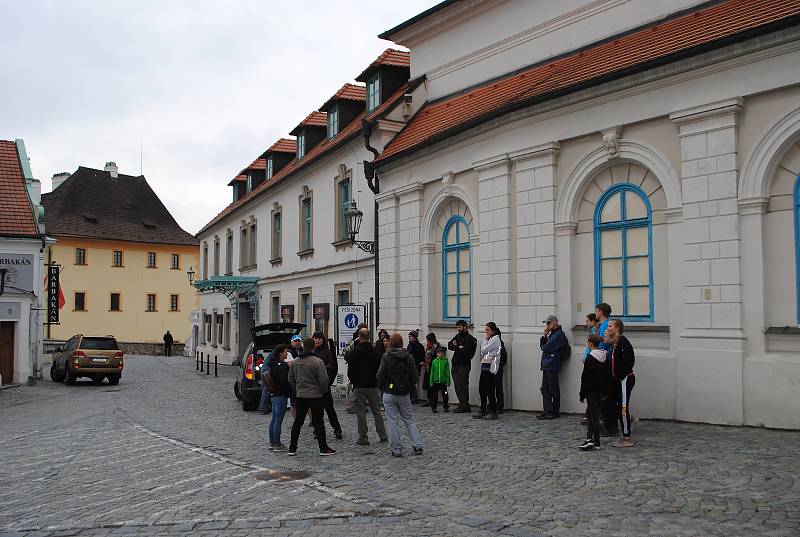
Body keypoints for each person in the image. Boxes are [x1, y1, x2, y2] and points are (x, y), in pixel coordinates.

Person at [287, 338, 336, 456]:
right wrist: (323, 391)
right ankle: (323, 448)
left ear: (304, 346)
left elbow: (290, 378)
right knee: (318, 422)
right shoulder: (318, 362)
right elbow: (324, 380)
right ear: (313, 347)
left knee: (298, 422)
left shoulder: (296, 361)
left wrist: (298, 388)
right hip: (316, 396)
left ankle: (292, 448)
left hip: (301, 395)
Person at [377, 333, 423, 457]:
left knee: (392, 421)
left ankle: (396, 449)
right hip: (404, 393)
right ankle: (417, 445)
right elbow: (414, 376)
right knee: (409, 420)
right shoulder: (409, 357)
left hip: (389, 392)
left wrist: (384, 387)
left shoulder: (386, 356)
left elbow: (380, 375)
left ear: (391, 343)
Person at [347, 328, 388, 445]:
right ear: (369, 337)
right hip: (373, 385)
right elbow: (379, 368)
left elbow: (350, 371)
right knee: (376, 411)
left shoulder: (354, 352)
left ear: (359, 337)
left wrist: (354, 381)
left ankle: (363, 437)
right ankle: (382, 435)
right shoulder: (375, 352)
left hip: (359, 386)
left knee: (360, 412)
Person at [605, 319, 636, 448]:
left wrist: (620, 375)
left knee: (623, 408)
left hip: (625, 379)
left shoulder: (623, 341)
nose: (607, 328)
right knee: (612, 405)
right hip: (617, 380)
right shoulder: (614, 343)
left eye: (610, 326)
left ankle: (627, 438)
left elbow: (629, 362)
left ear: (617, 328)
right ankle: (628, 424)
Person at [578, 335, 610, 451]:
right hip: (601, 391)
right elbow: (607, 376)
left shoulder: (590, 358)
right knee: (590, 413)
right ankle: (589, 439)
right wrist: (605, 391)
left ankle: (596, 441)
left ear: (590, 344)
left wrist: (582, 394)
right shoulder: (604, 357)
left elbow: (585, 378)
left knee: (594, 416)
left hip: (591, 391)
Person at [314, 331, 342, 440]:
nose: (317, 340)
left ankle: (337, 429)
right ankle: (317, 430)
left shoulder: (327, 352)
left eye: (319, 338)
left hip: (324, 385)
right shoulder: (312, 351)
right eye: (315, 338)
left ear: (322, 340)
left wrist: (327, 378)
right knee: (317, 410)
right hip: (314, 386)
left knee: (329, 409)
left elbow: (331, 367)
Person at [595, 303, 618, 436]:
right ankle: (609, 425)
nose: (607, 329)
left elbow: (602, 346)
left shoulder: (618, 344)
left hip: (608, 370)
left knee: (607, 399)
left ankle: (611, 426)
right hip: (606, 367)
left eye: (610, 327)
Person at [539, 314, 567, 420]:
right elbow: (543, 346)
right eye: (547, 323)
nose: (547, 325)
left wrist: (544, 343)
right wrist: (544, 336)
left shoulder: (558, 335)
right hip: (548, 364)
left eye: (549, 322)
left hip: (552, 365)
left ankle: (553, 412)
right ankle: (549, 411)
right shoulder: (553, 334)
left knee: (552, 389)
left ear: (555, 322)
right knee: (545, 389)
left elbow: (545, 348)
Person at [474, 323, 502, 420]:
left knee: (490, 390)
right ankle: (483, 409)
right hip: (485, 366)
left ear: (493, 331)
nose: (486, 332)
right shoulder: (490, 339)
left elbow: (484, 350)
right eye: (485, 330)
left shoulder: (495, 340)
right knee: (482, 389)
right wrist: (485, 342)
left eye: (488, 330)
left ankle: (494, 411)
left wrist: (485, 340)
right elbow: (482, 351)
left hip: (491, 368)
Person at [448, 320, 477, 413]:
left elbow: (467, 351)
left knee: (463, 385)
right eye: (457, 327)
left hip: (464, 365)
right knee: (457, 385)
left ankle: (465, 405)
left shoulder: (470, 339)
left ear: (465, 327)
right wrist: (458, 347)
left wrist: (459, 347)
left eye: (459, 327)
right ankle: (462, 404)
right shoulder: (458, 336)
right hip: (456, 364)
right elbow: (450, 345)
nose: (458, 329)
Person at [267, 344, 292, 452]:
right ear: (280, 353)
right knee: (278, 421)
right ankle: (277, 444)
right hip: (280, 395)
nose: (287, 354)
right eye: (286, 352)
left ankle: (272, 442)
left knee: (273, 420)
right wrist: (289, 391)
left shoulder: (272, 364)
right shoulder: (282, 366)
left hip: (273, 394)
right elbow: (284, 382)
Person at [420, 333, 442, 407]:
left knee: (433, 385)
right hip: (428, 368)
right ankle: (428, 400)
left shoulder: (437, 347)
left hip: (434, 369)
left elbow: (438, 357)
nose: (427, 341)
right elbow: (426, 356)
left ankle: (433, 400)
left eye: (428, 340)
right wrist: (425, 363)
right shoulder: (428, 347)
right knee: (428, 385)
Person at [428, 346, 451, 413]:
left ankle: (446, 406)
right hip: (435, 382)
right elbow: (432, 372)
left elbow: (447, 372)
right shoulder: (434, 362)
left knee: (445, 394)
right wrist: (431, 381)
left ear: (443, 354)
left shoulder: (445, 361)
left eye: (441, 353)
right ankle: (434, 407)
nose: (440, 354)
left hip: (443, 382)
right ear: (437, 354)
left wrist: (448, 381)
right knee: (434, 395)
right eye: (439, 353)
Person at [407, 331, 425, 404]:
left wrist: (419, 364)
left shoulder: (419, 346)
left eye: (411, 336)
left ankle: (413, 398)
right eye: (409, 336)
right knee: (410, 383)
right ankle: (411, 397)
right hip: (409, 366)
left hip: (416, 366)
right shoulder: (409, 345)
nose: (409, 338)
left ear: (414, 337)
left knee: (413, 383)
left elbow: (421, 357)